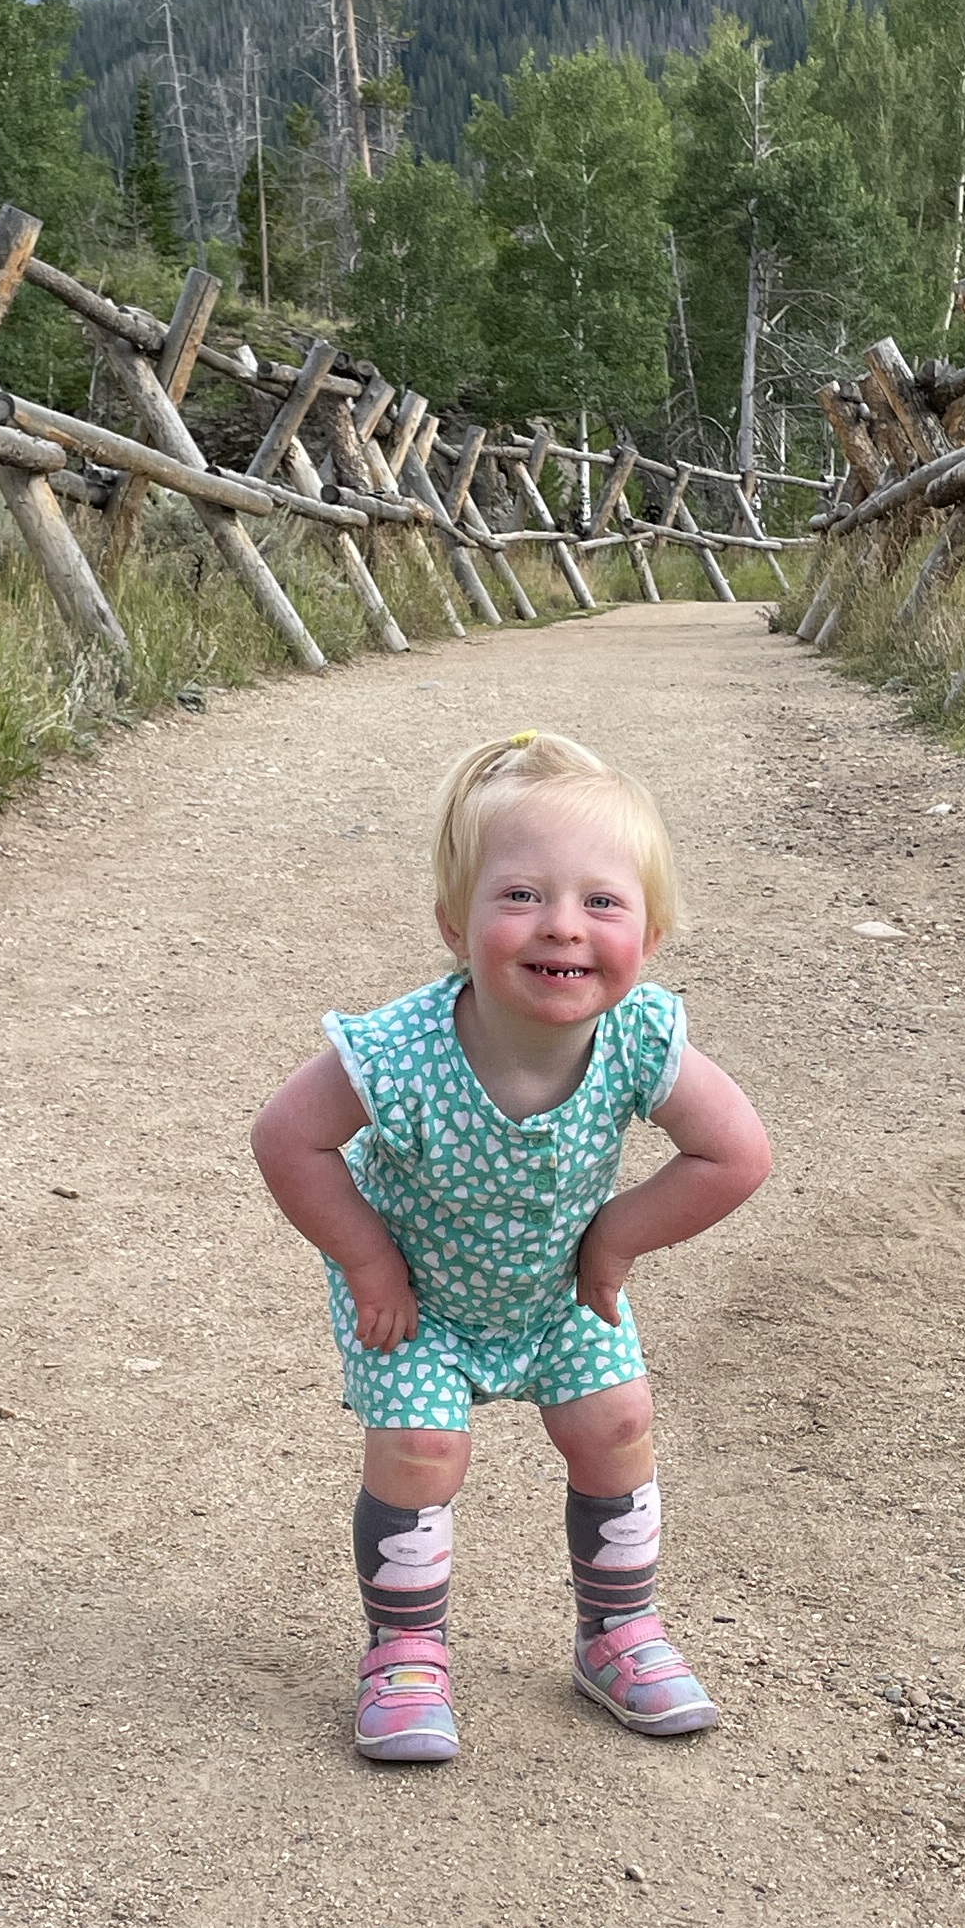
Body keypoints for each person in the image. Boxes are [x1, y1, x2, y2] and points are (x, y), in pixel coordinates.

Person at [251, 730, 771, 1763]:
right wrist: (367, 1261)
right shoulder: (400, 1051)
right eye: (521, 896)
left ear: (652, 935)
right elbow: (287, 1138)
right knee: (420, 1452)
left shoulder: (639, 1039)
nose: (561, 927)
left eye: (602, 902)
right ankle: (405, 1656)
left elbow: (736, 1154)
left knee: (617, 1419)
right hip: (419, 1304)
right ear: (457, 925)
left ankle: (618, 1635)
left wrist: (616, 1240)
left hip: (556, 1298)